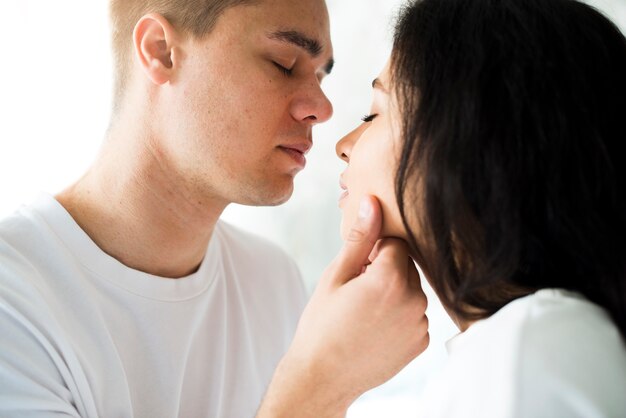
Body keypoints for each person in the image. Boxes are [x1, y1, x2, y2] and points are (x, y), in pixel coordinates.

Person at [0, 0, 429, 417]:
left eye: (319, 75)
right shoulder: (13, 303)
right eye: (284, 63)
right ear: (161, 51)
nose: (322, 108)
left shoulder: (273, 284)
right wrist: (320, 385)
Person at [257, 0, 626, 416]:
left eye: (373, 114)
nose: (344, 145)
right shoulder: (527, 349)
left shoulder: (533, 350)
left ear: (474, 142)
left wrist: (312, 383)